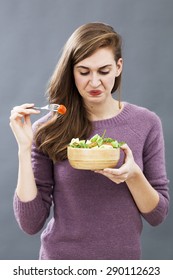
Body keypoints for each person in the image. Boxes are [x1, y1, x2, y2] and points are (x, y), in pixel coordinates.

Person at [10, 22, 169, 260]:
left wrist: (133, 175)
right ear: (71, 72)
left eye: (103, 71)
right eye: (84, 72)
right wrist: (24, 149)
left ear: (118, 67)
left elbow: (157, 215)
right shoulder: (49, 127)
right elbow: (30, 223)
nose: (94, 83)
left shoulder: (147, 123)